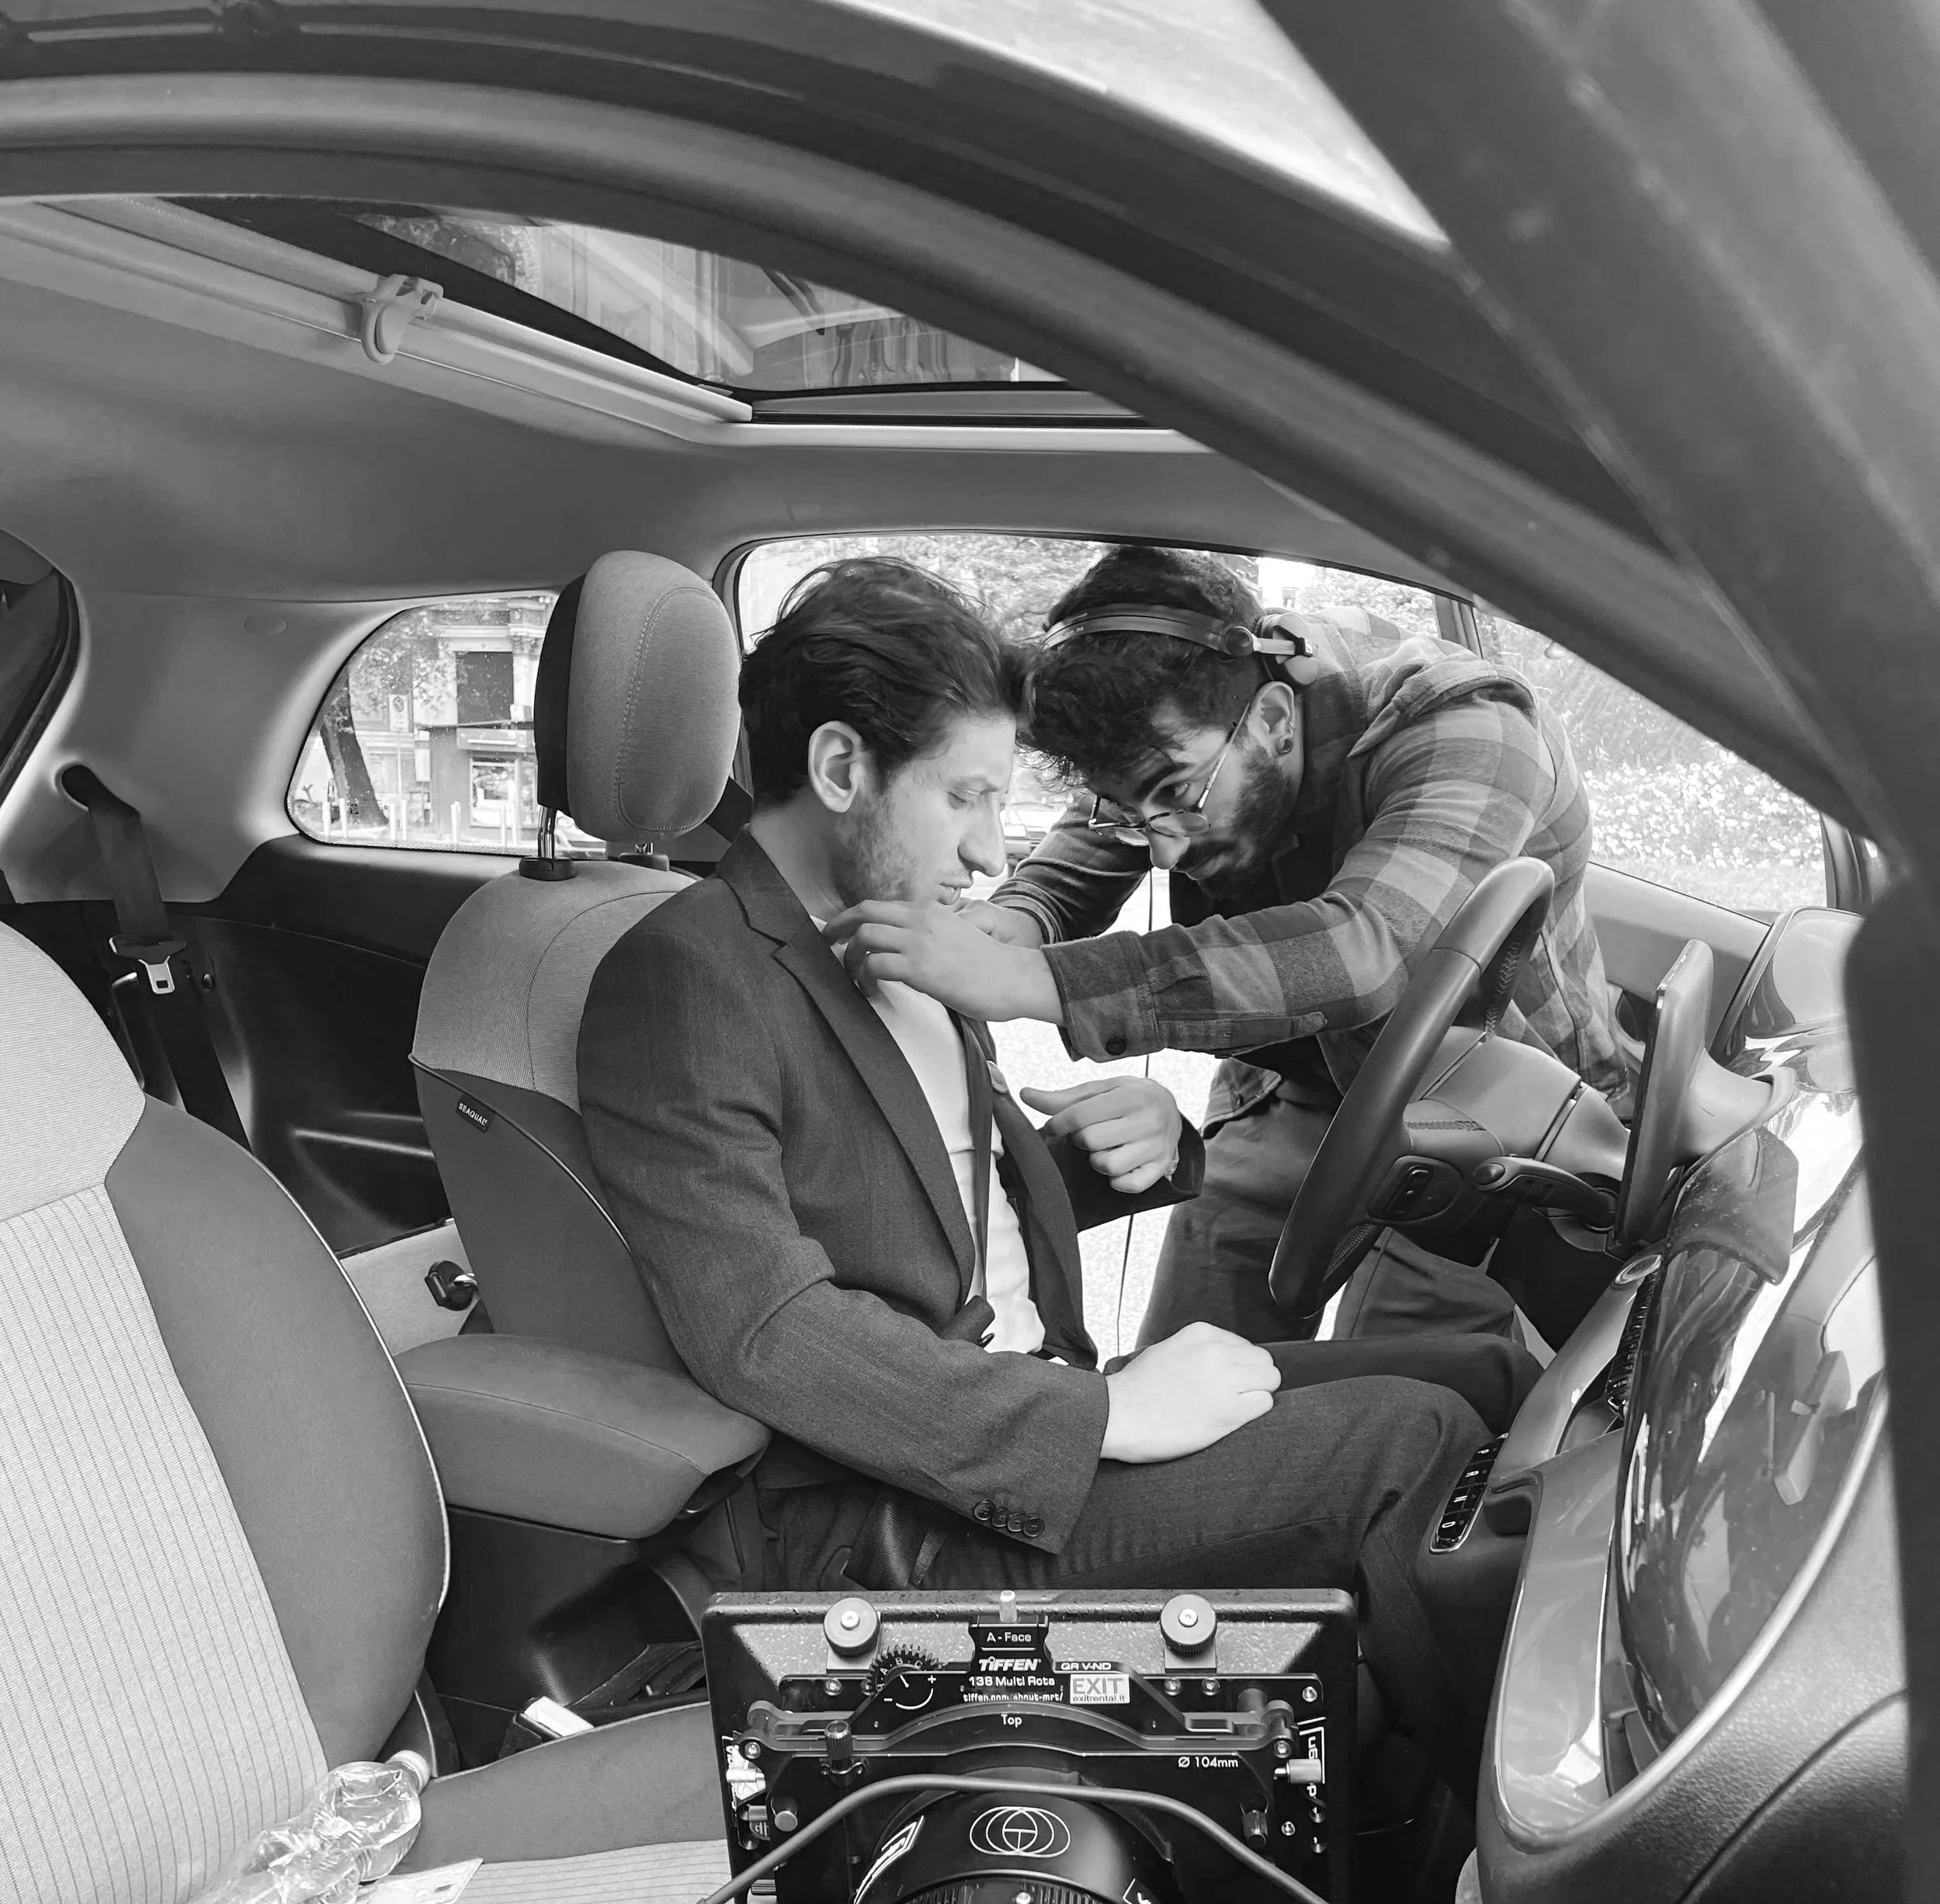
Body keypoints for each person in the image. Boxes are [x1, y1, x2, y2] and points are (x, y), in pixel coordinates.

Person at [579, 558, 1536, 1784]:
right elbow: (764, 1327)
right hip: (898, 1516)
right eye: (968, 797)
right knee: (1409, 1443)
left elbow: (927, 1200)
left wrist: (1144, 1148)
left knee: (1482, 1370)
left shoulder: (897, 938)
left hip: (1019, 1408)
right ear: (838, 770)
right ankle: (1510, 1876)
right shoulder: (688, 975)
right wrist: (1104, 1416)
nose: (992, 857)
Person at [828, 545, 1629, 1349]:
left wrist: (1035, 978)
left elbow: (1366, 950)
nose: (1164, 853)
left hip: (1487, 1123)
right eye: (1134, 809)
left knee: (1416, 1402)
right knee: (1184, 1363)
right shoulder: (1191, 724)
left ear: (1275, 724)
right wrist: (1024, 914)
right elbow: (1114, 814)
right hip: (1289, 1087)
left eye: (1179, 798)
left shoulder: (1468, 725)